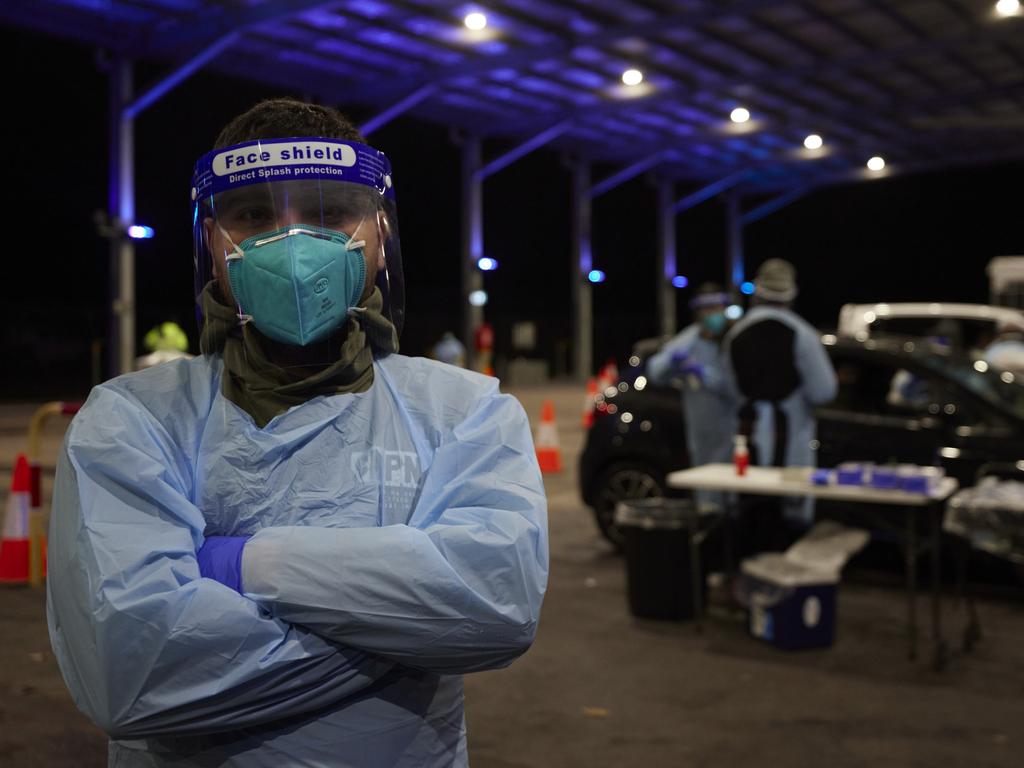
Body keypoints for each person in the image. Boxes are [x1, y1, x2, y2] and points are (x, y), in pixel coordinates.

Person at [47, 98, 549, 767]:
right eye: (254, 215)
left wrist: (237, 561)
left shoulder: (464, 410)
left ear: (377, 234)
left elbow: (497, 606)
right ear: (211, 240)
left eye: (327, 213)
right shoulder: (131, 419)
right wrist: (406, 629)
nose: (290, 244)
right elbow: (132, 674)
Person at [723, 259, 837, 527]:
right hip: (792, 439)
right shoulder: (803, 334)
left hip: (747, 436)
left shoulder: (736, 333)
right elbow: (824, 391)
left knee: (750, 509)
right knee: (790, 516)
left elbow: (730, 388)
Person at [646, 283, 737, 509]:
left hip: (729, 431)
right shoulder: (689, 340)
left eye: (717, 308)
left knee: (729, 492)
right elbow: (655, 372)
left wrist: (703, 372)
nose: (713, 314)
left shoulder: (731, 342)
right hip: (699, 432)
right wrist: (672, 363)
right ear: (698, 312)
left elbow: (733, 387)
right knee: (705, 492)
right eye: (707, 308)